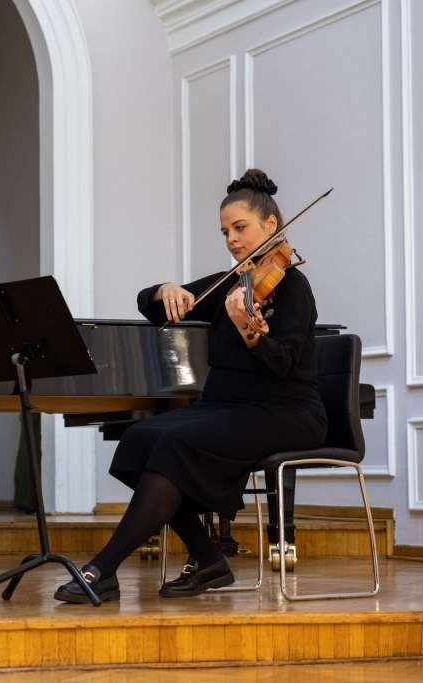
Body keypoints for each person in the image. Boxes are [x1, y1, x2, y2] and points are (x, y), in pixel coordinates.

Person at [55, 169, 327, 604]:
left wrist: (251, 332)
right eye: (225, 231)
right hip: (225, 406)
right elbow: (153, 307)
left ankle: (102, 568)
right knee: (140, 439)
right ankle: (209, 559)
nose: (232, 240)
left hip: (286, 411)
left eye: (240, 228)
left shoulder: (292, 286)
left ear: (271, 225)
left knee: (173, 445)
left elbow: (282, 364)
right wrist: (164, 289)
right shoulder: (230, 284)